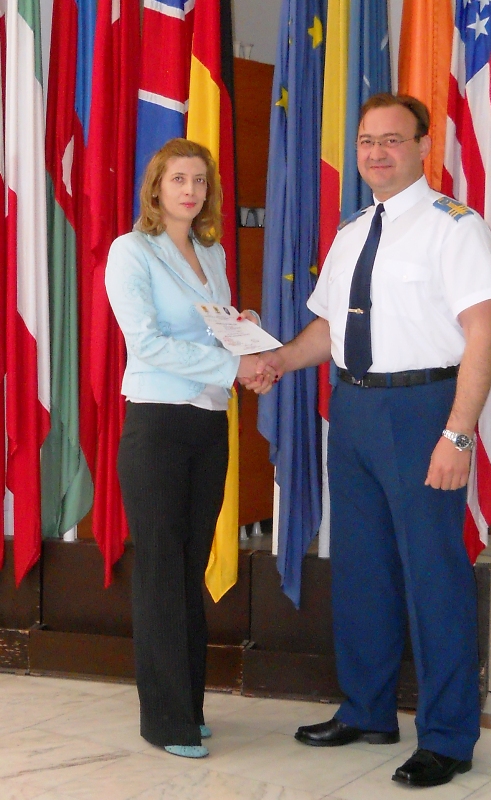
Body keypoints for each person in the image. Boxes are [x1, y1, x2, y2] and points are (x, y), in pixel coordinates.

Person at [244, 94, 491, 788]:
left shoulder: (455, 228)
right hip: (354, 409)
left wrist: (458, 433)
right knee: (361, 569)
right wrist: (278, 360)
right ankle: (366, 710)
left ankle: (447, 735)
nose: (377, 153)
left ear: (423, 145)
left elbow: (483, 332)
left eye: (392, 139)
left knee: (434, 575)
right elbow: (330, 328)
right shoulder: (355, 231)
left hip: (423, 410)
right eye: (366, 140)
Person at [106, 138, 261, 759]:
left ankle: (188, 710)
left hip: (207, 422)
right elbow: (145, 343)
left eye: (200, 180)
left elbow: (211, 329)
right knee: (162, 571)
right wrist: (233, 363)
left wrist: (243, 332)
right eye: (178, 179)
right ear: (156, 187)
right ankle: (165, 721)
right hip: (157, 424)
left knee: (189, 566)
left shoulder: (211, 251)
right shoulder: (130, 251)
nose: (191, 190)